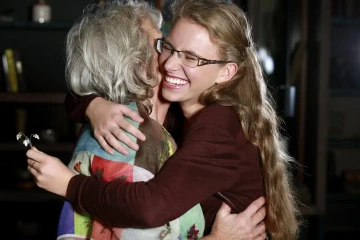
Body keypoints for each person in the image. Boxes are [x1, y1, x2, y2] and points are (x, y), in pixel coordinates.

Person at [27, 0, 299, 239]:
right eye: (167, 46)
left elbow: (150, 207)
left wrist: (70, 185)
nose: (168, 63)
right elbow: (77, 93)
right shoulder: (178, 111)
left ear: (225, 73)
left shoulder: (218, 125)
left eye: (191, 57)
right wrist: (93, 105)